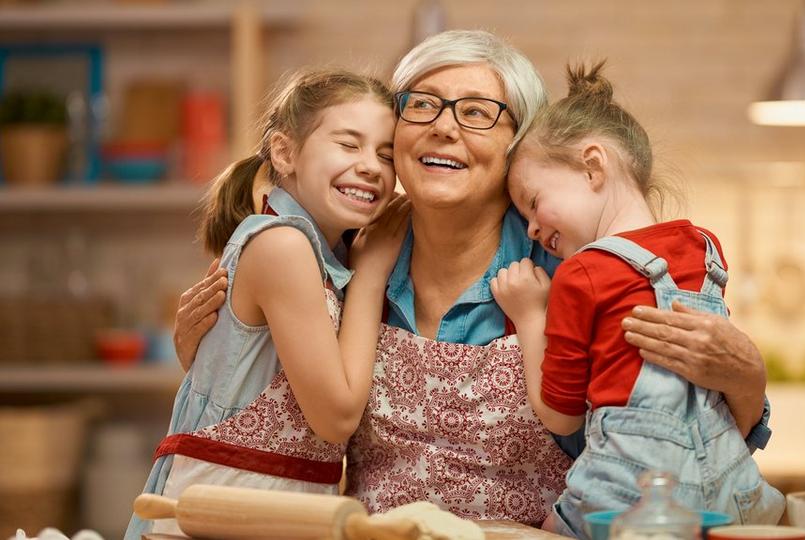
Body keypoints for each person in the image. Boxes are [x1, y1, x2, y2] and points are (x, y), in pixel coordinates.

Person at [171, 30, 772, 526]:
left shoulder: (577, 264)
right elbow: (269, 399)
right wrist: (206, 346)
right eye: (422, 105)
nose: (443, 127)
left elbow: (690, 431)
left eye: (478, 113)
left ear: (519, 146)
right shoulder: (343, 255)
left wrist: (745, 377)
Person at [489, 61, 784, 538]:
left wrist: (528, 314)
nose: (532, 229)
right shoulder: (705, 248)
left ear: (592, 166)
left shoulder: (580, 274)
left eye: (533, 201)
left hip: (630, 495)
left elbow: (561, 417)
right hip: (731, 494)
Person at [125, 69, 409, 539]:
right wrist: (373, 272)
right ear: (285, 152)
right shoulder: (282, 246)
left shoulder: (325, 255)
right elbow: (336, 419)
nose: (371, 167)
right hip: (224, 507)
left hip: (272, 507)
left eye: (385, 153)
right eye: (348, 144)